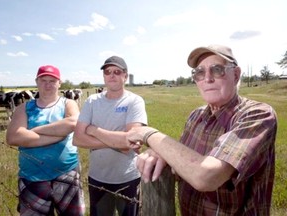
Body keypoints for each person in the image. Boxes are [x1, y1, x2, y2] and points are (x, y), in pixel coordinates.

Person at [126, 45, 277, 215]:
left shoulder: (257, 115)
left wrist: (148, 134)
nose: (207, 78)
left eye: (217, 70)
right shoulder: (196, 116)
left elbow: (205, 177)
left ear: (235, 75)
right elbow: (181, 164)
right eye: (199, 73)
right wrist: (161, 152)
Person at [73, 56, 147, 216]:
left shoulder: (134, 101)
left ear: (125, 76)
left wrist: (94, 131)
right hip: (98, 178)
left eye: (117, 71)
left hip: (128, 178)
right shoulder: (92, 101)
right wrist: (118, 143)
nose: (111, 75)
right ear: (104, 76)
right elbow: (77, 139)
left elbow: (131, 142)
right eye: (107, 72)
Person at [6, 65, 85, 216]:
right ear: (36, 82)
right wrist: (57, 134)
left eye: (52, 81)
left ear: (59, 83)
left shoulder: (68, 103)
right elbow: (13, 137)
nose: (48, 85)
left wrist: (31, 133)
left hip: (66, 173)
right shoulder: (24, 107)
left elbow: (73, 123)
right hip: (32, 177)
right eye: (43, 80)